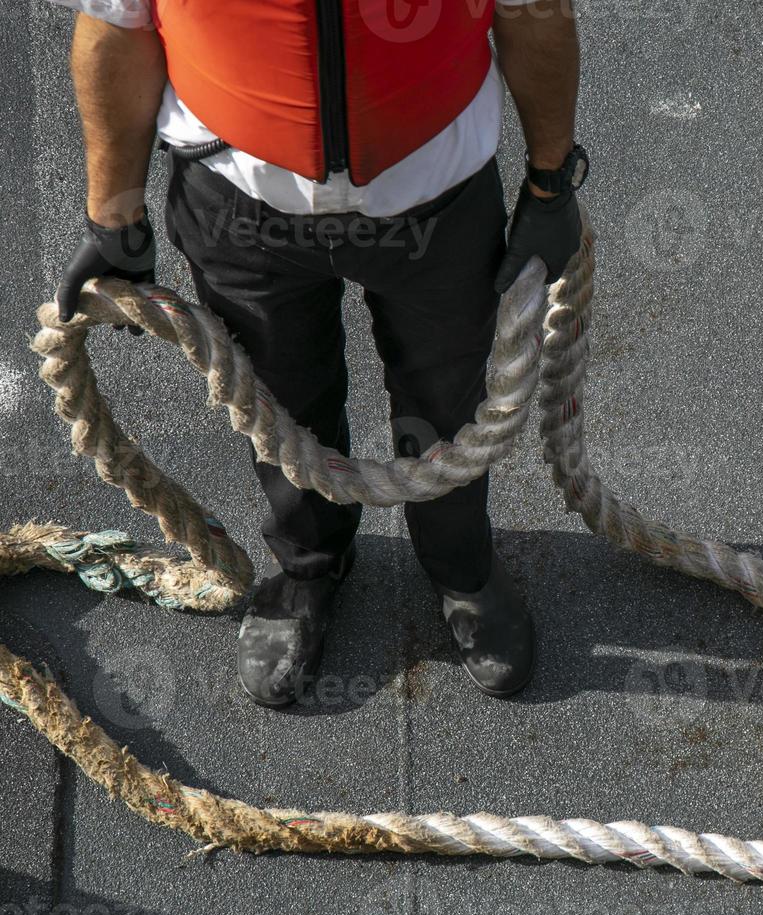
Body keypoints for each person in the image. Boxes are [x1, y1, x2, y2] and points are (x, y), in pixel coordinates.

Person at [49, 0, 589, 706]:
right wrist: (113, 211)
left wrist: (551, 185)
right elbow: (117, 23)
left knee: (447, 402)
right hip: (238, 198)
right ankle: (310, 563)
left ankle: (460, 563)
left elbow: (534, 12)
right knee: (278, 401)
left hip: (435, 194)